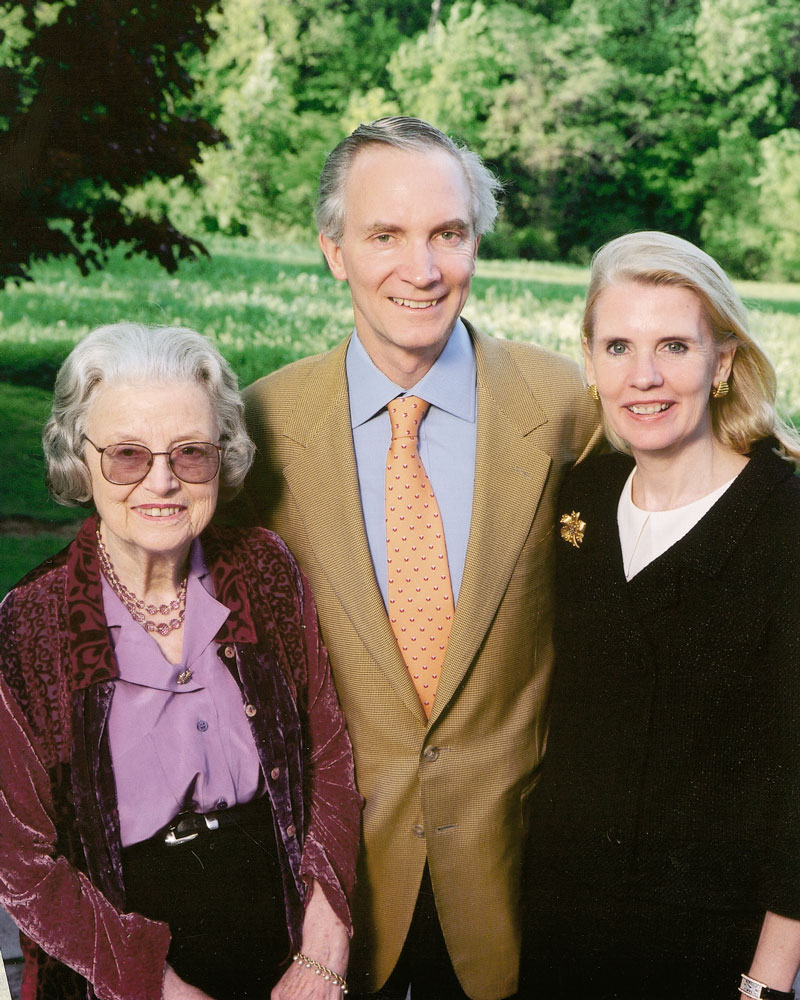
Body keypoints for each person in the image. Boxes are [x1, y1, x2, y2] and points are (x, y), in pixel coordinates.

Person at [237, 117, 601, 1000]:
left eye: (448, 233)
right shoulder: (259, 429)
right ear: (334, 252)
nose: (423, 268)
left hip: (523, 881)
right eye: (385, 235)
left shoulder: (568, 409)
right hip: (326, 903)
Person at [0, 323, 361, 1000]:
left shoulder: (265, 569)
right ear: (81, 460)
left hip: (283, 940)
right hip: (119, 958)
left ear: (220, 456)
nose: (162, 481)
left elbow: (329, 758)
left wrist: (325, 939)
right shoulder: (31, 620)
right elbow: (22, 864)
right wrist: (149, 983)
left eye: (190, 453)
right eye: (128, 455)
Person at [520, 231, 800, 999]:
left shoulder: (783, 523)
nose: (643, 377)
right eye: (618, 347)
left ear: (724, 363)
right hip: (559, 931)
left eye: (674, 345)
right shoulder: (581, 500)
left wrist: (767, 982)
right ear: (589, 362)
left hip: (710, 950)